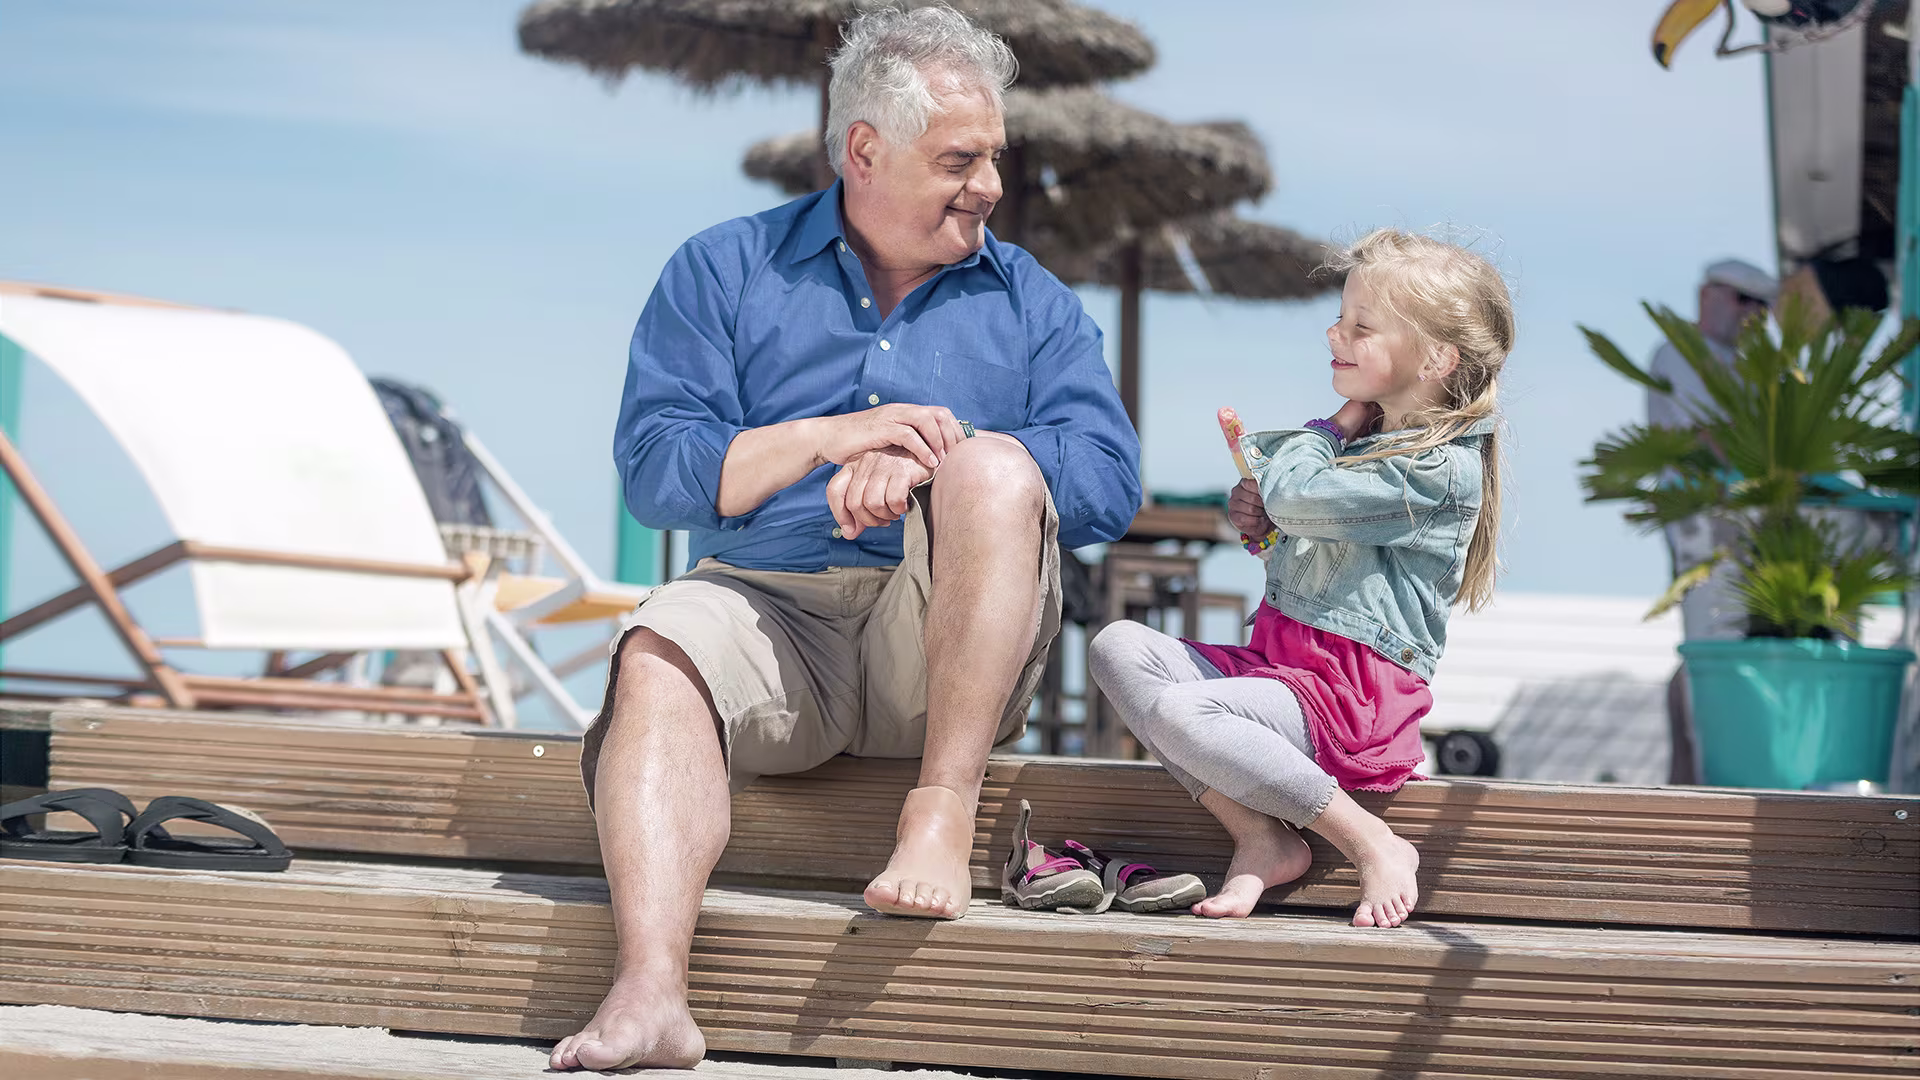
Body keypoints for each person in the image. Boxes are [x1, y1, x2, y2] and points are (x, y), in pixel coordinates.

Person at [549, 7, 1140, 1072]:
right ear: (865, 150)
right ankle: (651, 995)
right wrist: (831, 441)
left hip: (947, 654)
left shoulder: (1036, 303)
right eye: (961, 159)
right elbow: (658, 473)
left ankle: (940, 816)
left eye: (996, 156)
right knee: (658, 649)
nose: (992, 184)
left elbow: (1105, 482)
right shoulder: (720, 269)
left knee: (999, 468)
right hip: (770, 615)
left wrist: (936, 470)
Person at [1088, 229, 1513, 927]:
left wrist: (1329, 426)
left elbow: (1300, 494)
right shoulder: (1375, 448)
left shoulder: (1439, 470)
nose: (1334, 333)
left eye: (1360, 327)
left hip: (1351, 698)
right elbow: (1316, 540)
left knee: (1182, 711)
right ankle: (1261, 835)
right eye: (1340, 318)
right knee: (1117, 646)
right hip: (1285, 669)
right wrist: (1268, 534)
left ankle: (1372, 842)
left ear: (1437, 358)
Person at [1647, 259, 1776, 784]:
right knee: (1712, 636)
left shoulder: (1751, 365)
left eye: (1761, 305)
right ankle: (1705, 781)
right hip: (1703, 516)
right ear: (1709, 295)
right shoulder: (1682, 353)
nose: (1753, 313)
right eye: (1742, 299)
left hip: (1746, 519)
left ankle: (1697, 776)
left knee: (1723, 639)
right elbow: (1711, 439)